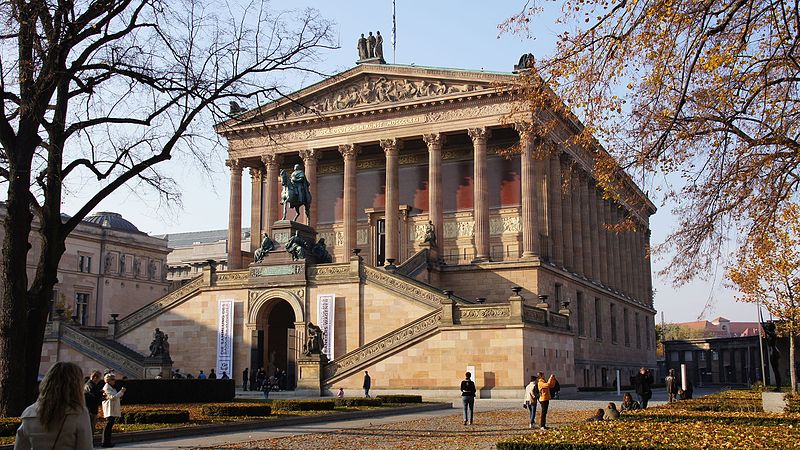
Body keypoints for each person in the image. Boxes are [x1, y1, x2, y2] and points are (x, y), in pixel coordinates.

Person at [15, 362, 93, 450]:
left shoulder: (29, 412)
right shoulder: (79, 413)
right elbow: (85, 447)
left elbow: (20, 446)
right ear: (76, 386)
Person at [101, 373, 126, 448]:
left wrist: (120, 395)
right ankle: (105, 442)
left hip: (112, 408)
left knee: (109, 425)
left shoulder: (111, 387)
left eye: (114, 379)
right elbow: (112, 397)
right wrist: (121, 392)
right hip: (109, 409)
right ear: (108, 380)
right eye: (112, 379)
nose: (114, 381)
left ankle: (107, 442)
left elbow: (115, 397)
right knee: (108, 425)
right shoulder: (107, 387)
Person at [83, 370, 103, 434]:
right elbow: (94, 395)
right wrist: (101, 394)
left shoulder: (90, 384)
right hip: (91, 409)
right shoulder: (90, 385)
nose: (99, 380)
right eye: (99, 378)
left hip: (91, 408)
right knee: (90, 427)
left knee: (91, 427)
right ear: (95, 377)